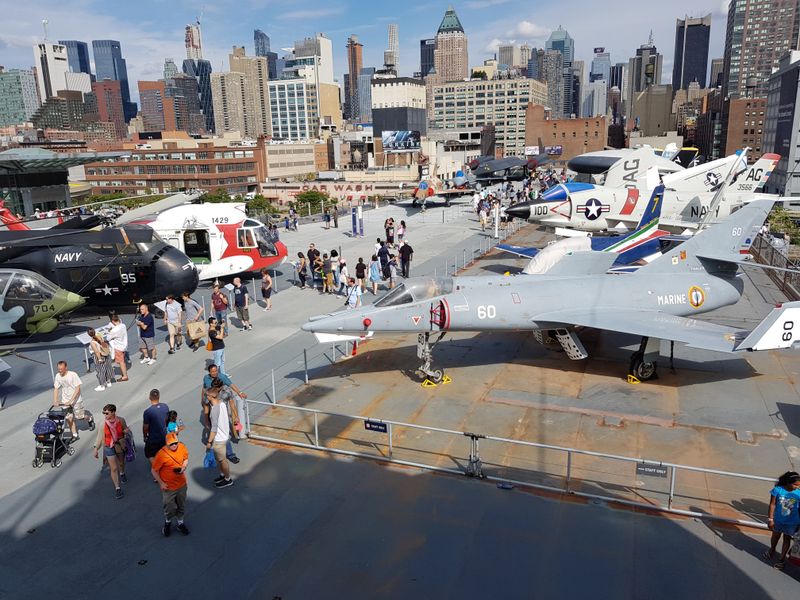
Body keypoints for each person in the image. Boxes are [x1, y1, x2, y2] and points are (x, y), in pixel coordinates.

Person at [151, 432, 190, 536]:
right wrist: (161, 483)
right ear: (167, 444)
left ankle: (180, 523)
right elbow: (154, 471)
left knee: (181, 505)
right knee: (170, 507)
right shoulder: (161, 454)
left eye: (175, 443)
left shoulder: (182, 447)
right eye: (171, 444)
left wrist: (184, 467)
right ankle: (168, 522)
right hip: (169, 487)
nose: (174, 445)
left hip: (181, 484)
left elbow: (186, 458)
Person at [93, 404, 130, 499]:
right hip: (108, 447)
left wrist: (126, 431)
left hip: (119, 445)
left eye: (107, 413)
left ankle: (122, 473)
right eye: (104, 413)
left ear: (113, 412)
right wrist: (96, 448)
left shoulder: (121, 420)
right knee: (113, 468)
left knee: (121, 463)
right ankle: (117, 488)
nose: (105, 415)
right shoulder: (103, 424)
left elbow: (126, 429)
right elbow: (100, 437)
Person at [764, 471, 800, 569]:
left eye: (799, 485)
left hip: (792, 523)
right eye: (795, 484)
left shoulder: (799, 493)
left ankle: (781, 559)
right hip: (778, 521)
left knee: (786, 539)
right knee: (775, 536)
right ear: (788, 482)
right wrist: (770, 519)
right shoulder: (777, 490)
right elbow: (772, 504)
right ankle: (772, 549)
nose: (797, 487)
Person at [206, 388, 234, 488]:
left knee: (222, 460)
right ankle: (222, 475)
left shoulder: (214, 410)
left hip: (219, 439)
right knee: (219, 459)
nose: (206, 397)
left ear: (210, 397)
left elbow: (213, 429)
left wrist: (209, 442)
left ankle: (228, 479)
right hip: (225, 435)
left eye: (207, 395)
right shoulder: (222, 403)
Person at [53, 361, 87, 439]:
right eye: (58, 369)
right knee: (69, 418)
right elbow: (56, 388)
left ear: (66, 367)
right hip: (65, 400)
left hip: (76, 400)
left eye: (61, 369)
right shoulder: (58, 376)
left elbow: (77, 388)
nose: (60, 371)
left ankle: (89, 419)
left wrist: (71, 401)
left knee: (80, 417)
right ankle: (74, 434)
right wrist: (55, 400)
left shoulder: (73, 375)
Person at [142, 388, 170, 465]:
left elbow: (145, 427)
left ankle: (157, 469)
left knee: (149, 454)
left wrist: (145, 436)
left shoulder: (148, 412)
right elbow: (167, 420)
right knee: (164, 452)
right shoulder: (165, 406)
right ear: (159, 397)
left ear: (150, 397)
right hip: (164, 436)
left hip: (153, 438)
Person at [106, 313, 129, 381]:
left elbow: (108, 338)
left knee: (121, 362)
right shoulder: (123, 325)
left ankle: (125, 376)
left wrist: (109, 331)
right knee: (122, 361)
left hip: (118, 347)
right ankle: (124, 373)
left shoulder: (114, 330)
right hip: (124, 345)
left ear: (112, 321)